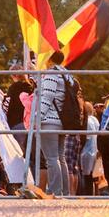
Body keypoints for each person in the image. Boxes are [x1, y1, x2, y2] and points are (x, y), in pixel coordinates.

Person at [38, 50, 73, 196]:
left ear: (49, 59)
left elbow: (47, 95)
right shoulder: (66, 75)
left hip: (50, 120)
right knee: (60, 158)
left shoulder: (52, 74)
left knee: (51, 159)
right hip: (62, 121)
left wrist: (37, 116)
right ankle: (65, 192)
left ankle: (54, 191)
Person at [79, 100, 99, 195]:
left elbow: (86, 137)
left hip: (86, 150)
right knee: (91, 174)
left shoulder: (87, 121)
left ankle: (87, 194)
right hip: (94, 149)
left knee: (86, 174)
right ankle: (92, 193)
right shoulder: (95, 120)